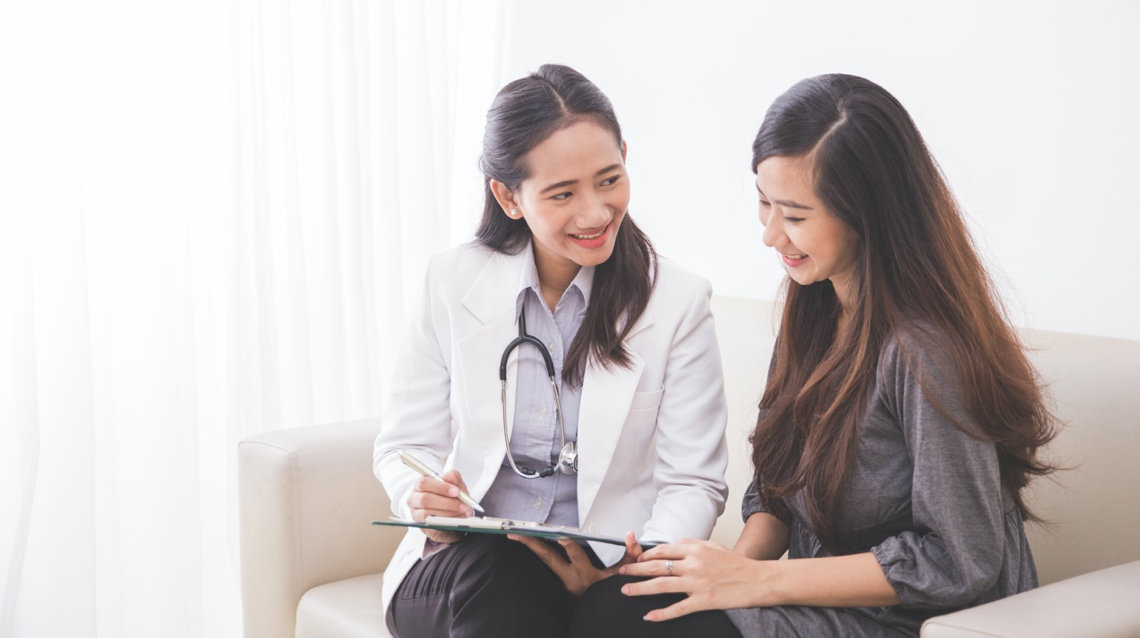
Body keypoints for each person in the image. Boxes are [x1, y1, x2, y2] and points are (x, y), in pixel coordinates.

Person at [572, 74, 1057, 637]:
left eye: (796, 216)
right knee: (621, 603)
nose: (771, 234)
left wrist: (757, 581)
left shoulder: (926, 351)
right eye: (764, 203)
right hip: (815, 603)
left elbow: (958, 560)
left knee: (635, 622)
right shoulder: (816, 308)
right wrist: (717, 576)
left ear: (868, 214)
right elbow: (776, 493)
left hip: (919, 621)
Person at [372, 64, 730, 638]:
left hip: (605, 571)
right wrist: (421, 496)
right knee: (505, 578)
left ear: (626, 158)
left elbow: (692, 482)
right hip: (467, 569)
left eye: (609, 180)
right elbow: (405, 445)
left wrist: (629, 572)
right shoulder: (451, 280)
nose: (595, 213)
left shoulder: (678, 302)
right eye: (563, 194)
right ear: (508, 197)